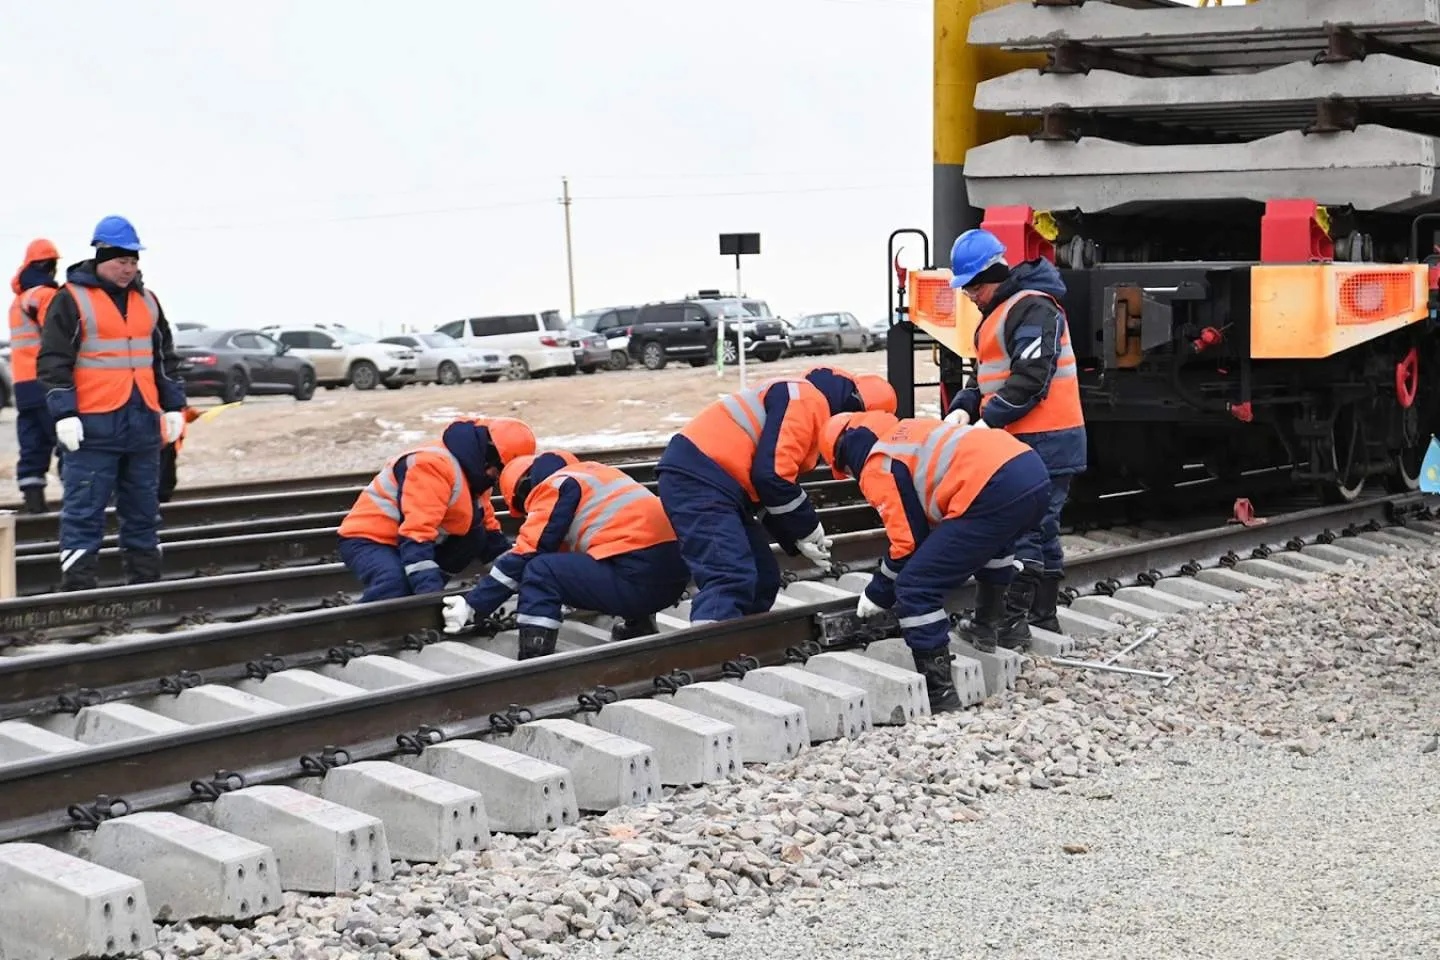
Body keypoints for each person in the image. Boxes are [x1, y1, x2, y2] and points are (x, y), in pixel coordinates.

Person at [821, 411, 1051, 710]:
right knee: (993, 545)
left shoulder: (878, 464)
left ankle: (940, 694)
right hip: (1031, 471)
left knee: (915, 588)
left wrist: (879, 591)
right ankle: (988, 625)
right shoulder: (909, 431)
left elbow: (907, 544)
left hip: (993, 486)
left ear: (845, 457)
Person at [655, 367, 898, 625]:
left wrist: (794, 536)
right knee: (729, 575)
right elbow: (772, 476)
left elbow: (766, 489)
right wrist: (806, 526)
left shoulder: (807, 402)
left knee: (762, 578)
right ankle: (705, 655)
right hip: (698, 478)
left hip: (718, 482)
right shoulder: (806, 399)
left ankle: (740, 648)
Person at [942, 228, 1087, 642]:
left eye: (973, 285)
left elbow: (1030, 379)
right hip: (1031, 440)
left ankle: (1010, 622)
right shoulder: (1004, 312)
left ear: (996, 274)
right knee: (1041, 527)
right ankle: (1040, 615)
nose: (969, 294)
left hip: (1045, 439)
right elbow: (988, 378)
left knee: (1024, 527)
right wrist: (963, 409)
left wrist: (991, 420)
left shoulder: (1033, 309)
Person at [37, 216, 188, 591]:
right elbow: (54, 361)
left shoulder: (148, 302)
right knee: (84, 512)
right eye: (122, 260)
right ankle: (79, 590)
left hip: (142, 425)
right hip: (93, 425)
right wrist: (64, 413)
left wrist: (173, 407)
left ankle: (145, 587)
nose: (129, 268)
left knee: (143, 512)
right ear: (102, 256)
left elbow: (164, 358)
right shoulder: (70, 299)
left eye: (134, 261)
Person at [441, 451, 691, 660]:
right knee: (615, 549)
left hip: (638, 583)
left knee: (540, 570)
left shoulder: (556, 485)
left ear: (525, 488)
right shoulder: (596, 476)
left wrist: (475, 604)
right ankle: (639, 625)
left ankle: (535, 655)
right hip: (673, 580)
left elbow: (529, 551)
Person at [336, 416, 536, 601]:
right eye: (500, 470)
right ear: (489, 455)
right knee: (395, 584)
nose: (498, 478)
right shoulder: (432, 465)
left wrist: (520, 577)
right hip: (370, 539)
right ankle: (360, 624)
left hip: (408, 538)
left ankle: (419, 600)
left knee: (476, 535)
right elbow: (416, 532)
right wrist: (430, 595)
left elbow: (489, 531)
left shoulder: (477, 474)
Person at [9, 239, 64, 513]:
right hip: (46, 382)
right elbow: (58, 337)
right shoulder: (44, 297)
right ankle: (82, 498)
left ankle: (34, 502)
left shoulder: (17, 302)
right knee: (67, 440)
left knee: (33, 444)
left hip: (23, 385)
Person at [159, 405, 205, 503]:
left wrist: (192, 413)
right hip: (161, 438)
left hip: (168, 437)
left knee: (166, 479)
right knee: (162, 480)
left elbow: (179, 410)